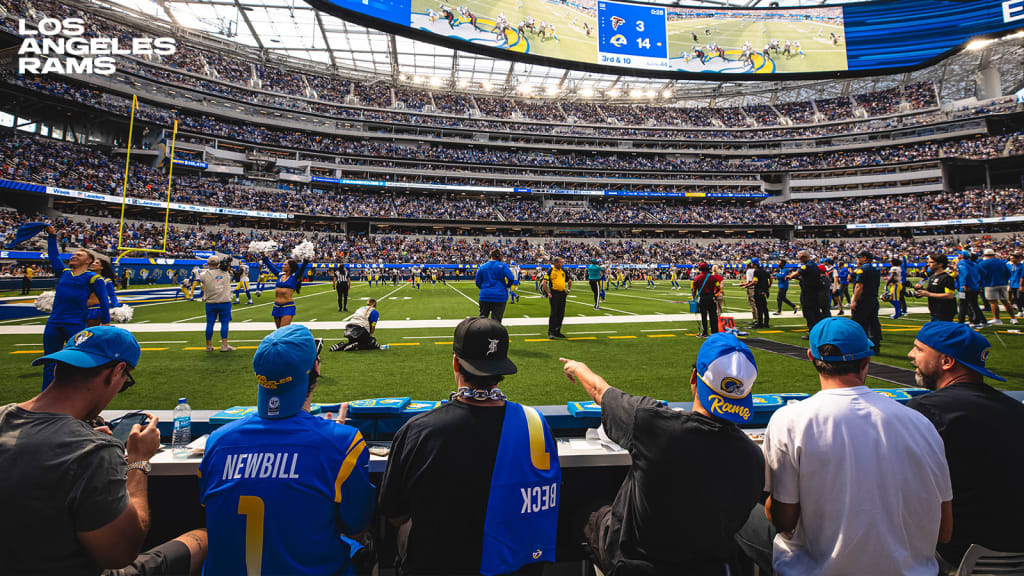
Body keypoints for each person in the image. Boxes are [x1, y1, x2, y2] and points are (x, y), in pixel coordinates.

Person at [2, 326, 207, 575]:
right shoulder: (92, 452)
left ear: (57, 367)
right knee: (203, 538)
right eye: (124, 383)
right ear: (117, 372)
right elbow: (119, 554)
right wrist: (138, 462)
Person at [760, 317, 952, 575]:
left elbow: (784, 520)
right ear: (866, 360)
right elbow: (944, 530)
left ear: (810, 357)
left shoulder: (790, 420)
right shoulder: (921, 424)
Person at [563, 333, 764, 574]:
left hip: (637, 564)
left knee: (587, 514)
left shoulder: (653, 424)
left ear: (694, 377)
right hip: (708, 566)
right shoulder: (752, 456)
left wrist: (578, 367)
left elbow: (600, 391)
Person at [379, 317, 560, 575]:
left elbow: (393, 513)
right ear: (502, 367)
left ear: (455, 362)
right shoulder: (537, 426)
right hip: (516, 565)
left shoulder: (419, 431)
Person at [199, 325, 374, 575]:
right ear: (316, 368)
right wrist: (332, 435)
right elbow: (357, 526)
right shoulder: (341, 444)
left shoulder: (217, 442)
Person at [906, 322, 1024, 566]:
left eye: (919, 349)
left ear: (947, 361)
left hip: (959, 553)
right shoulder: (1014, 409)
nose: (911, 355)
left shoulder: (927, 410)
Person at [41, 225, 110, 390]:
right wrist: (52, 237)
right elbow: (53, 256)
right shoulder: (65, 272)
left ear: (88, 261)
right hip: (54, 323)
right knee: (50, 361)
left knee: (78, 362)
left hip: (76, 324)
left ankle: (78, 394)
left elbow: (103, 300)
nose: (74, 256)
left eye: (79, 255)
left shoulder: (93, 278)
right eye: (73, 254)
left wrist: (106, 323)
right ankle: (46, 394)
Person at [199, 256, 235, 352]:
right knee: (224, 323)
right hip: (224, 302)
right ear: (218, 264)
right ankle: (224, 345)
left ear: (208, 263)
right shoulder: (225, 273)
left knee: (210, 323)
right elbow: (227, 270)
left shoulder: (203, 274)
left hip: (210, 303)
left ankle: (208, 345)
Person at [261, 255, 309, 329]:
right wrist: (264, 256)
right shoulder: (280, 274)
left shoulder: (294, 277)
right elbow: (270, 266)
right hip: (276, 306)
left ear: (290, 267)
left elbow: (302, 268)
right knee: (279, 331)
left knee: (283, 331)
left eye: (285, 264)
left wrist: (306, 259)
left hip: (287, 307)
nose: (283, 266)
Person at [850, 250, 882, 355]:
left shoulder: (862, 269)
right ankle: (874, 346)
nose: (857, 260)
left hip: (863, 299)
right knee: (873, 323)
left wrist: (854, 300)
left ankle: (858, 346)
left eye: (859, 257)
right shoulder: (875, 269)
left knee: (857, 323)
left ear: (864, 258)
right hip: (873, 298)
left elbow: (859, 286)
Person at [786, 250, 823, 337]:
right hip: (813, 292)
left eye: (800, 258)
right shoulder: (813, 265)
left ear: (805, 257)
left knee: (809, 313)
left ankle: (812, 333)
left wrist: (790, 276)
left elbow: (798, 272)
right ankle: (818, 332)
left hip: (808, 293)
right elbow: (806, 278)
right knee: (815, 313)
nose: (799, 260)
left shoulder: (808, 265)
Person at [978, 247, 1018, 325]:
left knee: (993, 302)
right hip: (1002, 284)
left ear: (985, 255)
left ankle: (997, 319)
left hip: (990, 284)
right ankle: (1013, 318)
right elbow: (1008, 273)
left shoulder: (982, 263)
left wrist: (980, 285)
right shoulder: (1001, 262)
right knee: (1005, 302)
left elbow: (980, 275)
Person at [476, 249, 516, 322]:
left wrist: (484, 288)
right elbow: (511, 278)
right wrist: (507, 286)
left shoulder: (482, 267)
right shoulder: (503, 266)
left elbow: (478, 282)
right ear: (499, 256)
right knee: (497, 321)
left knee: (482, 321)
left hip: (485, 295)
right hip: (499, 296)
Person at [914, 253, 957, 322]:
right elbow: (932, 291)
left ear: (940, 264)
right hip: (934, 310)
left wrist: (928, 294)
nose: (928, 264)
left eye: (931, 262)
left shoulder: (947, 278)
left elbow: (950, 295)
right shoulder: (932, 276)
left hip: (944, 311)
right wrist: (921, 290)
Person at [86, 255, 121, 328]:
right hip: (82, 308)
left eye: (96, 263)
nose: (93, 264)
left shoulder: (106, 280)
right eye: (93, 262)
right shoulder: (84, 278)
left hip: (95, 309)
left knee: (90, 331)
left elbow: (112, 295)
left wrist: (116, 306)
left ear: (102, 267)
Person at [542, 256, 571, 339]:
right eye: (561, 262)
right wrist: (548, 292)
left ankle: (557, 331)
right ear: (556, 263)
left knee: (561, 313)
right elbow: (544, 282)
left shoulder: (563, 271)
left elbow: (569, 281)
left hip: (562, 293)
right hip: (554, 293)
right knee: (554, 313)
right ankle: (551, 332)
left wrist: (568, 290)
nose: (562, 264)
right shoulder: (550, 271)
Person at [692, 262, 723, 337]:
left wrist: (694, 298)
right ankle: (714, 331)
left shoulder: (697, 278)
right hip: (711, 298)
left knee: (704, 316)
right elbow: (718, 287)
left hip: (702, 298)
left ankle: (705, 332)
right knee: (713, 315)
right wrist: (715, 294)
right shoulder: (713, 278)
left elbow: (694, 290)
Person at [956, 250, 986, 327]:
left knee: (962, 304)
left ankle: (962, 321)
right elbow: (983, 273)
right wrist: (980, 283)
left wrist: (963, 284)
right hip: (975, 286)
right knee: (974, 304)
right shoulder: (974, 264)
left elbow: (964, 273)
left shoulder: (962, 264)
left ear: (962, 256)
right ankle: (980, 320)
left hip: (965, 288)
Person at [751, 258, 771, 328]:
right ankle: (766, 323)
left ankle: (760, 323)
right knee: (765, 308)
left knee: (759, 308)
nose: (751, 264)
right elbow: (770, 278)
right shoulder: (764, 271)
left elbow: (755, 282)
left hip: (758, 291)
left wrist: (746, 285)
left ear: (754, 264)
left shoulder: (756, 271)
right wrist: (769, 286)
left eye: (751, 263)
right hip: (765, 291)